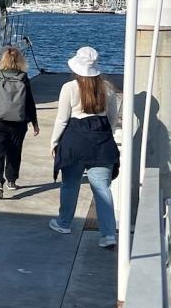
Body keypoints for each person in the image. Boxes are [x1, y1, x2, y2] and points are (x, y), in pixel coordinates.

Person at [49, 46, 120, 248]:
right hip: (101, 142)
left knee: (70, 184)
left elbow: (62, 120)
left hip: (74, 141)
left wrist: (54, 142)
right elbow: (112, 119)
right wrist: (105, 134)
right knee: (102, 189)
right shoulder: (107, 88)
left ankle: (64, 223)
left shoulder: (69, 88)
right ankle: (108, 234)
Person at [0, 46, 39, 199]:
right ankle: (11, 181)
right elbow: (29, 102)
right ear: (19, 60)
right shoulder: (23, 78)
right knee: (14, 151)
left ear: (3, 60)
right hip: (18, 122)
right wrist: (34, 122)